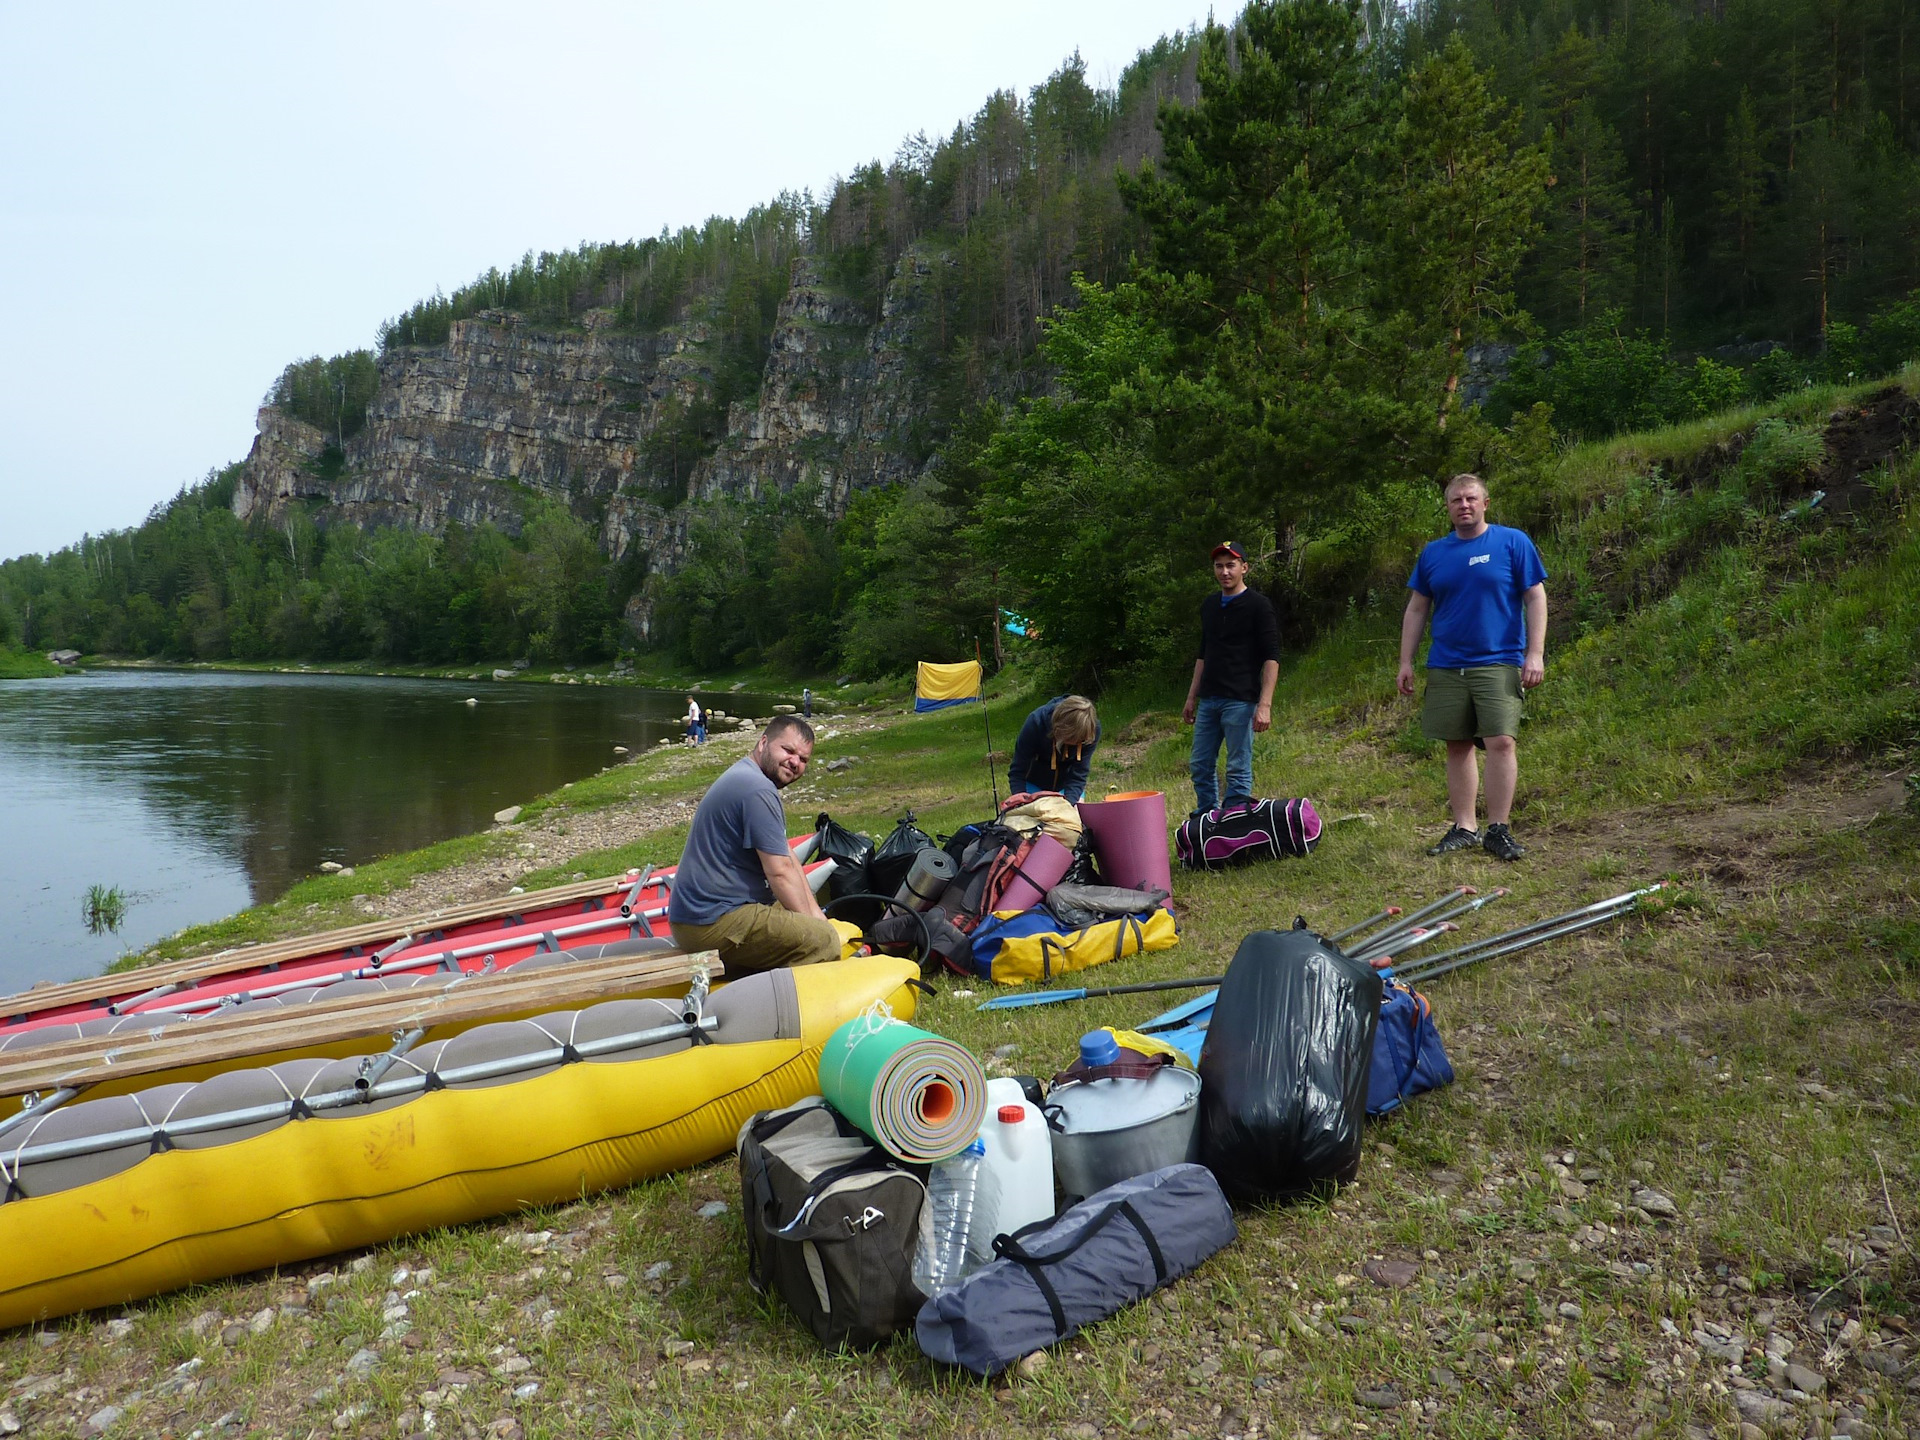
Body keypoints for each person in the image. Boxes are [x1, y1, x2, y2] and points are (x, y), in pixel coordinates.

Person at [1397, 472, 1548, 862]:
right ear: (1447, 508)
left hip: (1498, 659)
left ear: (1485, 503)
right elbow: (1417, 608)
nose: (1463, 506)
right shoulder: (1433, 553)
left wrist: (1535, 653)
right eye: (1456, 501)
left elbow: (1535, 598)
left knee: (1501, 741)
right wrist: (1405, 661)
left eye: (1470, 499)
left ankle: (1498, 828)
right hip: (1447, 663)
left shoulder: (1512, 542)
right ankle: (1465, 826)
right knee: (1457, 744)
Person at [668, 715, 842, 973]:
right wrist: (821, 932)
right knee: (824, 942)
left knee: (807, 918)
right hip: (709, 923)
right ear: (763, 743)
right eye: (788, 750)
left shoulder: (749, 776)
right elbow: (779, 872)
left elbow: (789, 860)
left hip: (704, 915)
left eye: (803, 759)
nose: (795, 762)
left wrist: (817, 918)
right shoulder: (758, 789)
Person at [1181, 541, 1280, 816]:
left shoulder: (1259, 606)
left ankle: (1235, 822)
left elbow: (1272, 657)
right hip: (1209, 699)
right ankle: (1207, 819)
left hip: (1241, 699)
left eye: (1231, 565)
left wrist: (1265, 705)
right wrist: (1191, 697)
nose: (1225, 572)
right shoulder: (1210, 605)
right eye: (1219, 566)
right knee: (1200, 764)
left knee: (1237, 766)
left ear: (1244, 568)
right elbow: (1203, 653)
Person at [1007, 694, 1100, 803]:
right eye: (1072, 739)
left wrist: (1068, 803)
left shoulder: (1092, 731)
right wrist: (1021, 798)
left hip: (1065, 787)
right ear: (1059, 729)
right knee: (1032, 817)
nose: (1075, 744)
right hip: (1033, 784)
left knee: (1073, 815)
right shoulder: (1035, 722)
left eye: (1080, 740)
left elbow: (1079, 773)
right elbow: (1018, 770)